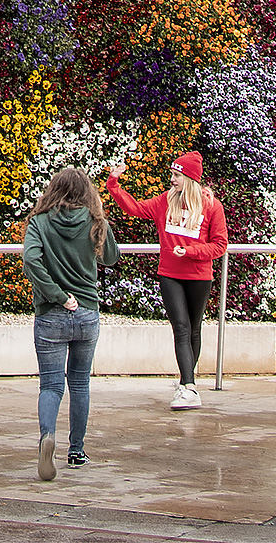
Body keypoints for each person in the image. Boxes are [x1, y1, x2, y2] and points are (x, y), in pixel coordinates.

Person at [106, 150, 228, 409]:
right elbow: (135, 208)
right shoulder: (165, 201)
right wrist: (113, 184)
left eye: (176, 175)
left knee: (194, 329)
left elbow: (220, 245)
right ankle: (190, 387)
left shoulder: (211, 206)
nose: (172, 179)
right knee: (181, 327)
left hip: (199, 276)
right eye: (172, 174)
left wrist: (191, 251)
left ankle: (186, 383)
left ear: (190, 179)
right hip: (170, 274)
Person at [21, 165, 120, 480]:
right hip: (87, 313)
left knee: (51, 385)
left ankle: (47, 437)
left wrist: (57, 295)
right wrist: (100, 216)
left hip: (51, 314)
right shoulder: (94, 221)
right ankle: (76, 451)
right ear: (86, 193)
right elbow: (110, 257)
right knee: (80, 383)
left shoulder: (39, 222)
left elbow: (30, 260)